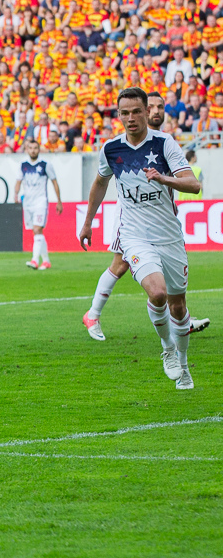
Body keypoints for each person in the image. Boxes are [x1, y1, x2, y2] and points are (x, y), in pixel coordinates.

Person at [80, 88, 202, 390]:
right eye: (125, 113)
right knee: (157, 293)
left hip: (169, 237)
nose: (130, 118)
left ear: (147, 111)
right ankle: (168, 349)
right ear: (118, 115)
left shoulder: (164, 144)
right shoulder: (111, 149)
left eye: (136, 111)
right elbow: (100, 182)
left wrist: (163, 178)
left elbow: (193, 184)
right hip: (135, 236)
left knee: (178, 307)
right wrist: (88, 222)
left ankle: (184, 365)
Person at [14, 138, 63, 270]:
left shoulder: (45, 164)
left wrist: (59, 201)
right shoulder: (23, 165)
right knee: (37, 232)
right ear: (27, 150)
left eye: (35, 148)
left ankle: (34, 260)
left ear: (39, 149)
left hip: (40, 201)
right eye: (30, 148)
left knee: (37, 229)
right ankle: (46, 261)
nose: (33, 150)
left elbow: (54, 182)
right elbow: (18, 181)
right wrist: (16, 194)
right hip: (27, 202)